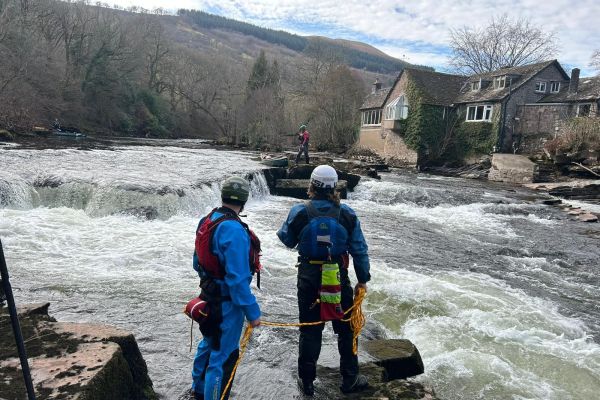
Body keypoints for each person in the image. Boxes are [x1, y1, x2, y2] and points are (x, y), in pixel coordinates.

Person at [277, 165, 371, 396]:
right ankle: (350, 379)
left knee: (310, 330)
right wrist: (363, 279)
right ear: (334, 187)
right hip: (338, 277)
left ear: (312, 185)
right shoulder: (347, 213)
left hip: (309, 276)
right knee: (346, 328)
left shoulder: (299, 211)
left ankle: (307, 383)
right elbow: (359, 249)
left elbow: (286, 239)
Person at [191, 176, 262, 400]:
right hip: (227, 306)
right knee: (222, 357)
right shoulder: (234, 230)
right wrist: (253, 313)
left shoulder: (207, 220)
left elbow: (197, 262)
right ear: (243, 201)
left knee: (208, 344)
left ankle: (198, 390)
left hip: (208, 296)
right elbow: (238, 281)